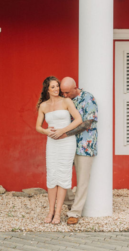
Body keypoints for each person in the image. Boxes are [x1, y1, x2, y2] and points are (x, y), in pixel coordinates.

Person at [51, 76, 98, 225]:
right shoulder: (66, 100)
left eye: (67, 92)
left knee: (82, 181)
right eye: (62, 92)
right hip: (67, 144)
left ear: (75, 88)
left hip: (85, 145)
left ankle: (75, 212)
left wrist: (65, 133)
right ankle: (71, 201)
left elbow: (87, 124)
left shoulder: (88, 99)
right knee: (60, 174)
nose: (64, 95)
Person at [36, 76, 82, 225]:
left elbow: (78, 120)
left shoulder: (66, 101)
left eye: (57, 86)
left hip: (67, 142)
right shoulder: (43, 106)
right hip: (52, 143)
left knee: (63, 174)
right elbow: (38, 126)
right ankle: (50, 211)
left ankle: (58, 213)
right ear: (47, 89)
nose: (57, 89)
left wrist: (63, 130)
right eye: (53, 87)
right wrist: (46, 131)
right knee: (52, 175)